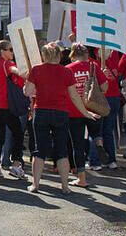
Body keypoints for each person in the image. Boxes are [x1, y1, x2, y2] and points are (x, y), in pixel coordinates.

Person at [23, 42, 98, 194]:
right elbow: (74, 96)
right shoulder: (66, 72)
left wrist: (28, 82)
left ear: (44, 55)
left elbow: (27, 92)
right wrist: (85, 112)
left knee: (39, 150)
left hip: (42, 111)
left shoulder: (36, 70)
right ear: (59, 55)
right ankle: (65, 186)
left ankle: (35, 185)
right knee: (62, 150)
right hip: (61, 112)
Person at [65, 43, 108, 187]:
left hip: (74, 111)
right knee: (95, 132)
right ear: (86, 55)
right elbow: (104, 88)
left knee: (77, 145)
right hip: (93, 108)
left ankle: (81, 178)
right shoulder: (94, 67)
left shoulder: (68, 69)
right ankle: (99, 143)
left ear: (72, 55)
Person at [0, 40, 27, 179]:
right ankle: (16, 165)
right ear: (2, 51)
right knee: (18, 134)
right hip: (7, 106)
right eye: (10, 49)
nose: (12, 52)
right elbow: (17, 72)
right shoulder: (6, 63)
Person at [92, 49, 121, 169]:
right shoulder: (115, 62)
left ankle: (96, 161)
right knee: (108, 131)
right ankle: (111, 160)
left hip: (102, 99)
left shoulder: (95, 65)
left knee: (96, 132)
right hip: (114, 98)